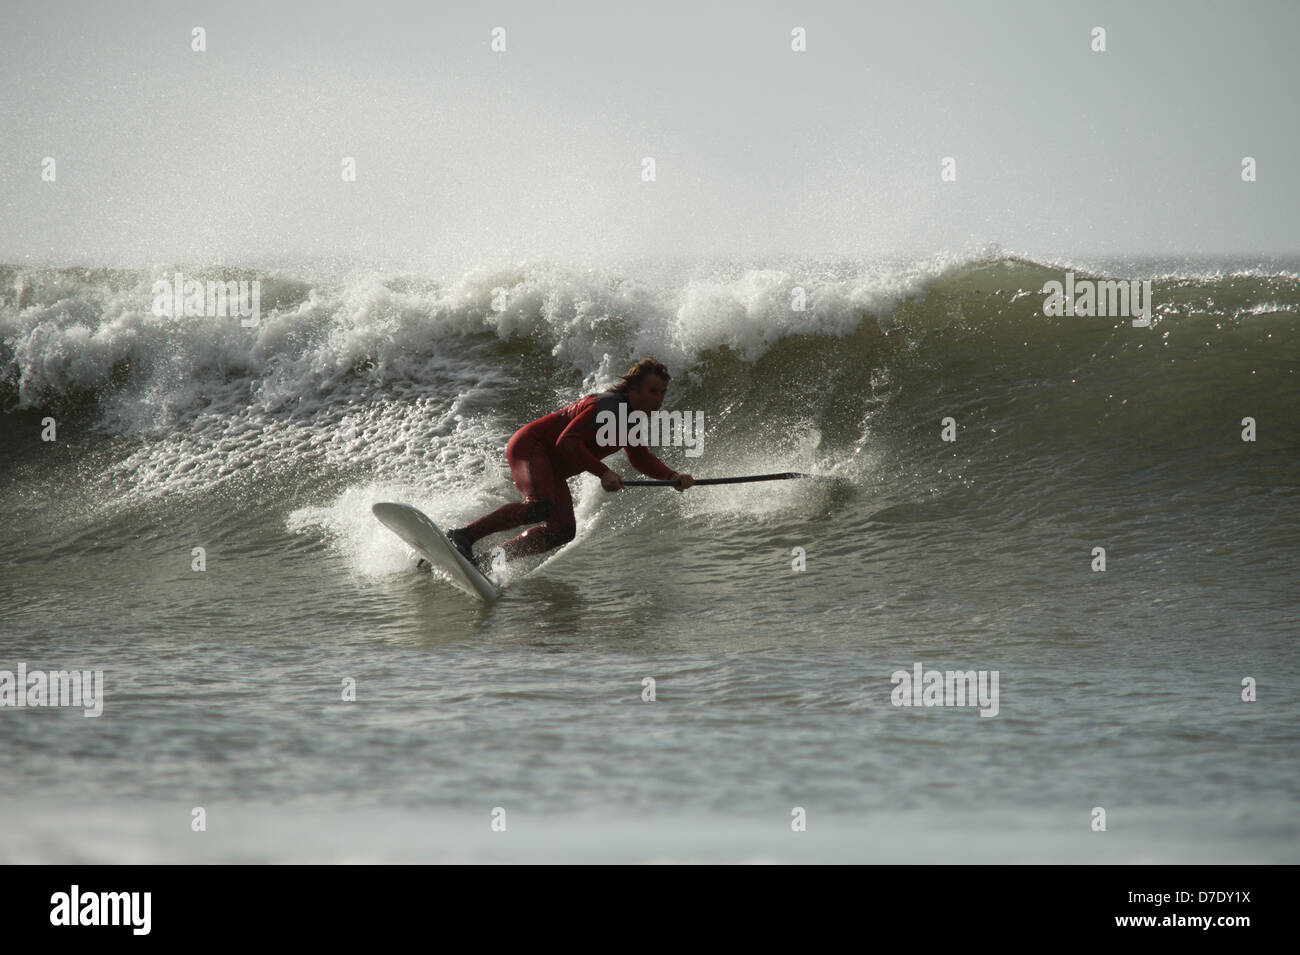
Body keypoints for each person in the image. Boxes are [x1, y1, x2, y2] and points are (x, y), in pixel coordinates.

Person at [445, 358, 694, 570]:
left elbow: (640, 458)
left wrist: (673, 476)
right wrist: (603, 472)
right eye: (653, 392)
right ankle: (463, 535)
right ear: (634, 390)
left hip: (552, 468)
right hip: (531, 447)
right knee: (539, 507)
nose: (659, 399)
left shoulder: (634, 418)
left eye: (663, 392)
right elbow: (567, 440)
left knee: (561, 531)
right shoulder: (608, 405)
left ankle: (486, 562)